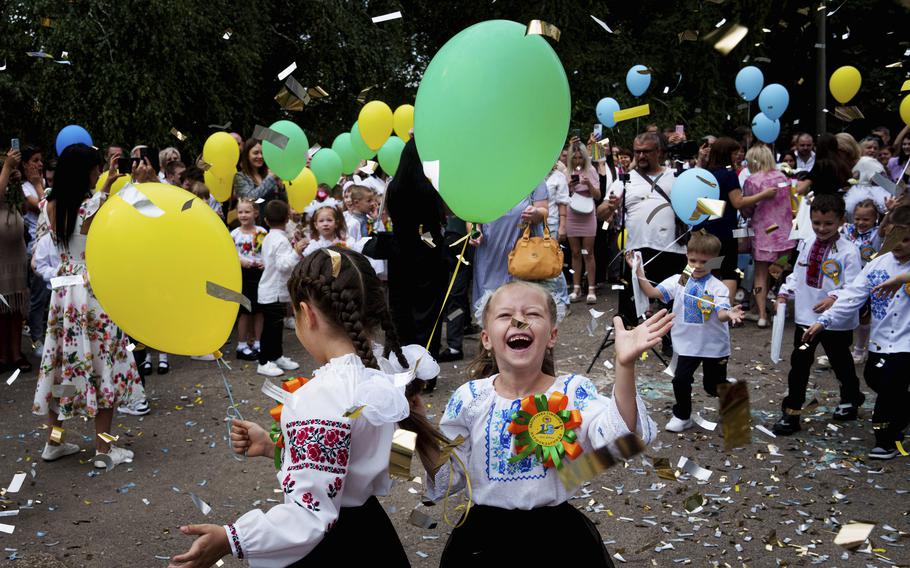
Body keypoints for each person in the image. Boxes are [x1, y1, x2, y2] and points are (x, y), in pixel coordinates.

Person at [169, 248, 441, 567]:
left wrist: (230, 538)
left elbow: (311, 515)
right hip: (373, 537)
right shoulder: (384, 381)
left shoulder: (319, 397)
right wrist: (275, 447)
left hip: (333, 547)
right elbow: (391, 467)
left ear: (306, 314)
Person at [412, 281, 666, 566]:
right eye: (505, 315)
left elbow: (621, 441)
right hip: (482, 541)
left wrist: (625, 366)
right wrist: (417, 423)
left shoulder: (572, 392)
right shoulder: (469, 397)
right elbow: (450, 477)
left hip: (558, 542)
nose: (519, 321)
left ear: (552, 336)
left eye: (531, 314)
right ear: (486, 338)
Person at [32, 144, 145, 468]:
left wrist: (105, 186)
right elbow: (104, 227)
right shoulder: (94, 205)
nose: (98, 172)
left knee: (62, 364)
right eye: (95, 168)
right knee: (103, 364)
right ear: (86, 171)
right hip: (92, 291)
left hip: (64, 291)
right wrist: (112, 186)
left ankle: (54, 442)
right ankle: (103, 449)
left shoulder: (50, 204)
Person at [803, 204, 910, 459]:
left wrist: (903, 278)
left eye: (906, 239)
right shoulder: (878, 264)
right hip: (882, 339)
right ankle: (902, 412)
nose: (899, 244)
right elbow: (852, 295)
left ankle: (886, 439)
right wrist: (824, 321)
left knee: (889, 387)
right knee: (874, 377)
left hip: (907, 341)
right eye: (894, 237)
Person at [629, 233, 744, 432]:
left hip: (713, 345)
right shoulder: (680, 280)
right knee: (680, 379)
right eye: (693, 260)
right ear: (687, 257)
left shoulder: (718, 287)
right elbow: (653, 293)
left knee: (712, 386)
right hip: (687, 344)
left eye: (704, 261)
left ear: (715, 260)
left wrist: (730, 314)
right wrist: (637, 269)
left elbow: (722, 312)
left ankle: (729, 388)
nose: (698, 265)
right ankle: (682, 415)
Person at [772, 194, 864, 435]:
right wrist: (785, 292)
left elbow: (855, 287)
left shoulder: (849, 251)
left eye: (828, 224)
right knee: (799, 364)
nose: (822, 229)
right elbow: (798, 273)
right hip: (806, 319)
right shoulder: (807, 242)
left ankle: (851, 397)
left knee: (840, 361)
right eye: (816, 223)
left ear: (841, 221)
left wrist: (834, 297)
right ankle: (791, 414)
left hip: (835, 322)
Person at [599, 132, 687, 329]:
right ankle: (628, 340)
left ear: (659, 152)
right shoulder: (625, 179)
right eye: (637, 152)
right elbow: (600, 213)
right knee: (629, 305)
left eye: (646, 152)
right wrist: (611, 207)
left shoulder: (677, 176)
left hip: (673, 250)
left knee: (672, 303)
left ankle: (670, 343)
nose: (641, 156)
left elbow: (704, 208)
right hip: (635, 252)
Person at [384, 139, 450, 375]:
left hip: (400, 251)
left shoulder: (394, 188)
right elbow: (440, 219)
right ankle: (425, 369)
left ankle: (401, 364)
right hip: (427, 250)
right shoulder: (431, 188)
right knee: (428, 311)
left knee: (401, 309)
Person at [740, 145, 796, 326]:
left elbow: (747, 209)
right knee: (776, 272)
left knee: (760, 274)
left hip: (764, 233)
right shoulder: (782, 177)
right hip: (784, 234)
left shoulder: (752, 181)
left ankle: (762, 314)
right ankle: (774, 308)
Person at [256, 200, 302, 377]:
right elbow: (283, 265)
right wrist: (296, 252)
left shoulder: (270, 237)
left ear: (266, 220)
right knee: (271, 329)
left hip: (273, 291)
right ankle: (264, 361)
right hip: (272, 292)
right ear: (287, 218)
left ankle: (276, 356)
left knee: (275, 327)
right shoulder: (280, 240)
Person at [702, 137, 747, 300]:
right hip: (726, 228)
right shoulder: (729, 174)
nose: (739, 156)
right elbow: (737, 202)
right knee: (729, 269)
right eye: (735, 153)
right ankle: (726, 309)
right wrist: (763, 195)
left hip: (706, 227)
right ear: (726, 154)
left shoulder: (707, 173)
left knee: (704, 266)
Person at [840, 199, 883, 364]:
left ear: (875, 219)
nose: (861, 222)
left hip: (868, 279)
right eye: (857, 218)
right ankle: (841, 349)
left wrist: (890, 211)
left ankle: (859, 350)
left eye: (866, 219)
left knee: (865, 315)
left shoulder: (877, 233)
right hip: (847, 277)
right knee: (845, 312)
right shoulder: (847, 229)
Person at [0, 147, 30, 373]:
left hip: (16, 250)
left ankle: (16, 352)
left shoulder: (9, 179)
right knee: (2, 305)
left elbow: (24, 207)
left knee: (16, 306)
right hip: (1, 254)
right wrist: (7, 168)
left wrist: (16, 181)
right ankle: (2, 355)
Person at [231, 199, 267, 361]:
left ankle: (258, 342)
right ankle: (242, 344)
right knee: (245, 311)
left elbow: (267, 251)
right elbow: (230, 254)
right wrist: (241, 261)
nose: (243, 215)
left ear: (255, 213)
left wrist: (265, 262)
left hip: (259, 274)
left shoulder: (261, 232)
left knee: (259, 310)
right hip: (242, 276)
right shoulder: (234, 234)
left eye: (247, 211)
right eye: (241, 212)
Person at [565, 139, 601, 303]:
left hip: (588, 214)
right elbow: (562, 196)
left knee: (588, 253)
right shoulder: (567, 171)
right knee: (575, 253)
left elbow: (598, 196)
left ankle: (591, 289)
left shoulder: (591, 170)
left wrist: (588, 184)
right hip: (572, 213)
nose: (578, 160)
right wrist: (569, 186)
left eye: (580, 157)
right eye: (575, 157)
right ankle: (576, 287)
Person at [233, 139, 285, 214]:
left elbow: (281, 202)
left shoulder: (269, 174)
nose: (260, 156)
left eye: (262, 153)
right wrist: (269, 179)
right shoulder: (240, 177)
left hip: (272, 221)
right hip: (253, 223)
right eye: (256, 153)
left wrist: (281, 188)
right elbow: (249, 199)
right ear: (247, 155)